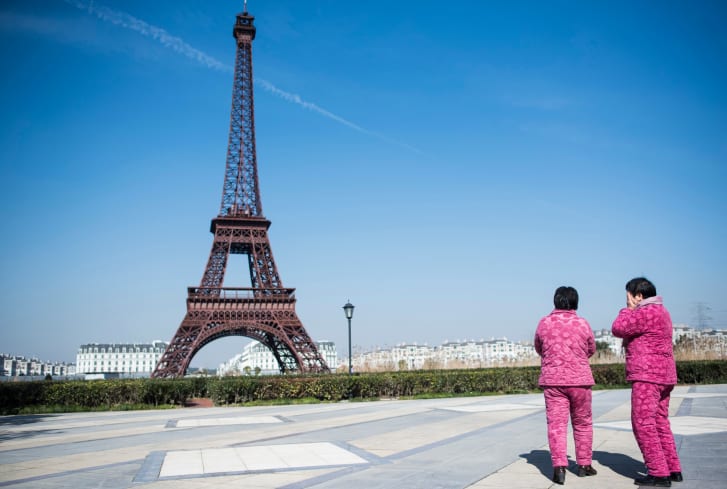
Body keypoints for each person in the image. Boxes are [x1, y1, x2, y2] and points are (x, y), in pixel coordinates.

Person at [612, 277, 683, 487]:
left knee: (643, 423)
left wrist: (626, 310)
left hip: (647, 376)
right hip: (665, 375)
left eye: (628, 297)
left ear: (638, 296)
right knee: (660, 422)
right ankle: (673, 468)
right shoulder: (663, 311)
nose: (627, 301)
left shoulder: (645, 312)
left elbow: (618, 328)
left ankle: (658, 472)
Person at [534, 286, 597, 485]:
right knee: (583, 423)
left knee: (556, 425)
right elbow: (591, 348)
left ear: (555, 301)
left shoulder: (544, 323)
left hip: (553, 382)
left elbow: (539, 347)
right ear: (576, 302)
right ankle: (585, 465)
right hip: (580, 381)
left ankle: (559, 468)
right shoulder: (582, 323)